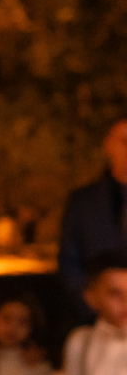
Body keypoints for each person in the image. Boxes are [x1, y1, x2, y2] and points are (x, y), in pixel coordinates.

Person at [59, 117, 127, 323]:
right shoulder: (83, 201)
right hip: (95, 321)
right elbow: (69, 261)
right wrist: (93, 308)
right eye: (125, 141)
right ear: (108, 144)